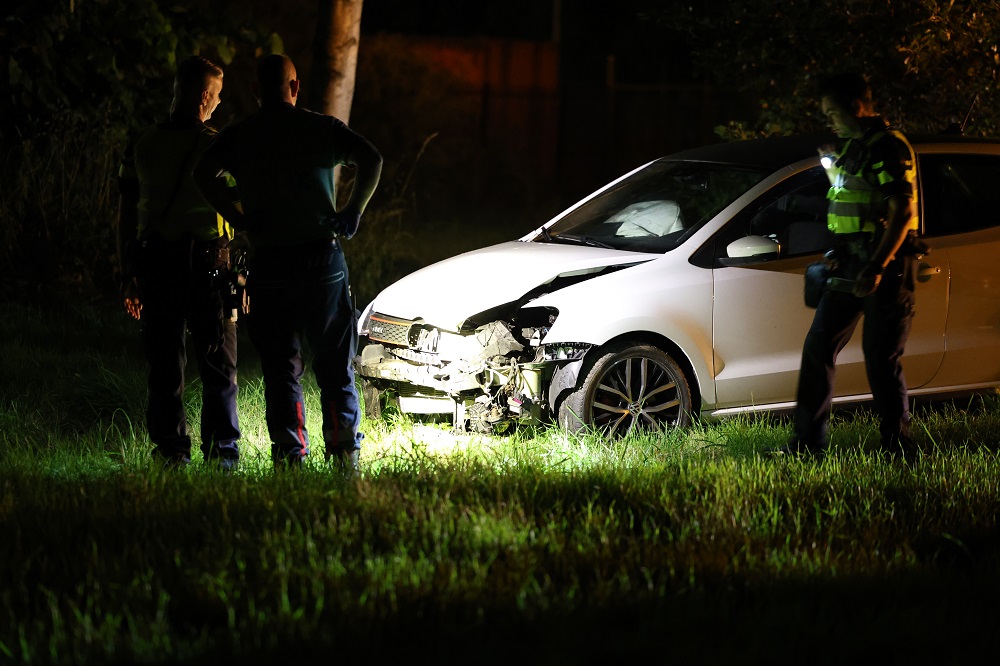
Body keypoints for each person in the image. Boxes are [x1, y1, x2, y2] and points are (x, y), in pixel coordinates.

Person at [193, 53, 382, 474]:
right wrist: (353, 211)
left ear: (257, 91)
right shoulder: (320, 128)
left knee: (281, 368)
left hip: (270, 262)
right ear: (295, 87)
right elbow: (372, 159)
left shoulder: (242, 134)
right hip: (322, 259)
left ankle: (290, 457)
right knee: (334, 364)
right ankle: (344, 458)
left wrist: (237, 217)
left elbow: (202, 173)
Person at [781, 73, 920, 458]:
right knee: (818, 348)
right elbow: (850, 204)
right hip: (849, 263)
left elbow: (901, 210)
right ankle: (807, 446)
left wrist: (876, 265)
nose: (829, 120)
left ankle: (899, 448)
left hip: (885, 267)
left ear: (856, 107)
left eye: (832, 112)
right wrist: (836, 251)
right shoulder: (855, 147)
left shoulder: (888, 146)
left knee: (881, 358)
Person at [117, 55, 242, 469]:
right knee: (219, 366)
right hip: (209, 269)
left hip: (157, 267)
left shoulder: (143, 143)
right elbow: (239, 204)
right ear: (205, 95)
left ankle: (171, 452)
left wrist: (130, 276)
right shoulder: (215, 144)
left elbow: (127, 216)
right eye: (219, 96)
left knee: (165, 367)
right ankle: (221, 455)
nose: (219, 104)